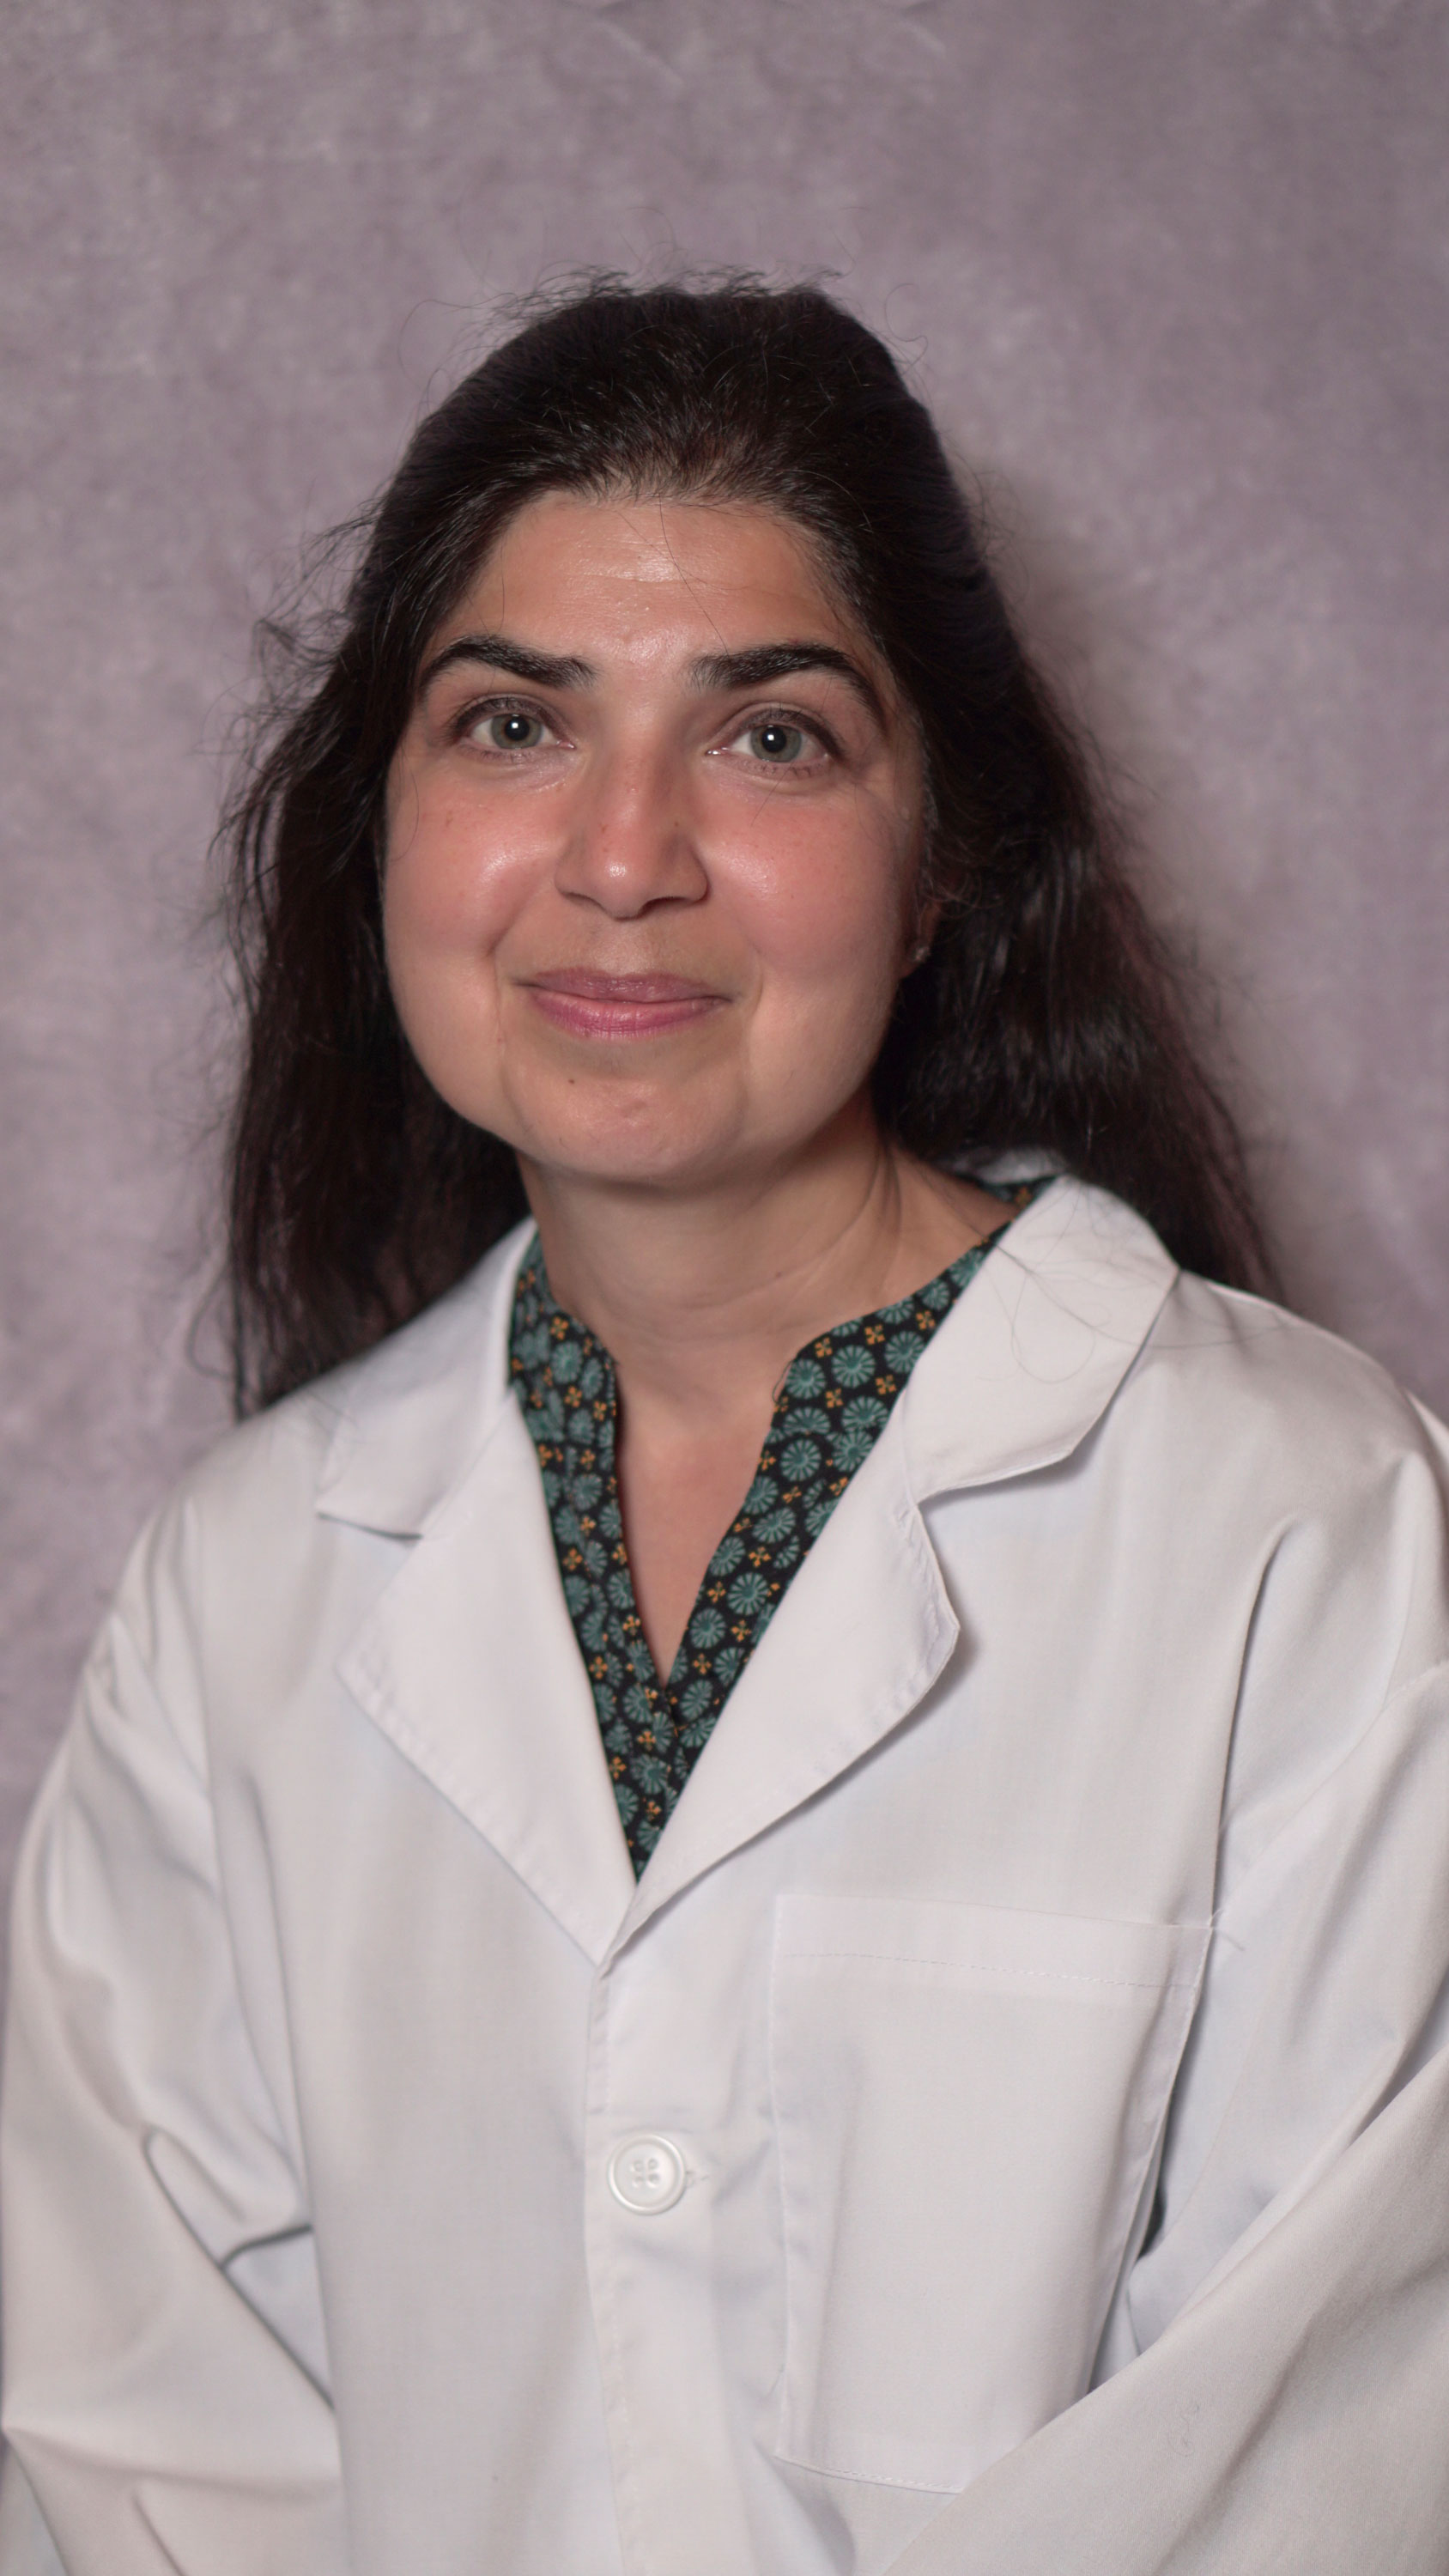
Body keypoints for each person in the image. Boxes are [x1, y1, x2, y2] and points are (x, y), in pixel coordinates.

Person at [2, 278, 1446, 2576]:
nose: (623, 853)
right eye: (510, 726)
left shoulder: (1306, 1525)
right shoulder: (249, 1588)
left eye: (769, 737)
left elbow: (1322, 2448)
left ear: (947, 845)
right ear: (376, 812)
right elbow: (133, 2439)